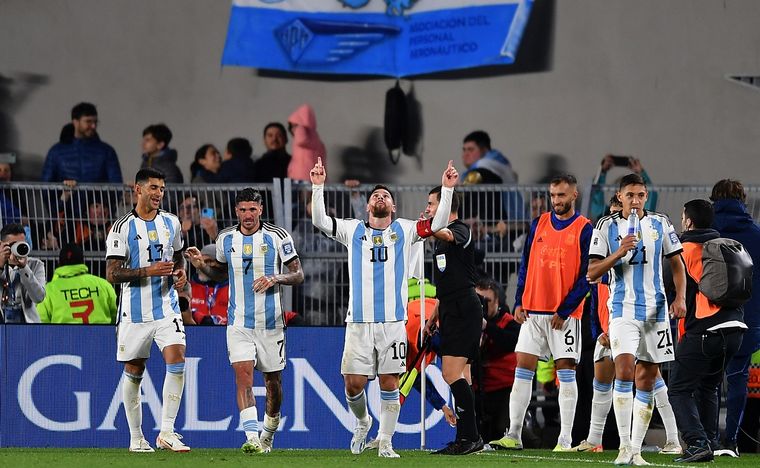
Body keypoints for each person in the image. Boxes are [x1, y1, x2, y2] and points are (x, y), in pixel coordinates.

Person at [310, 157, 458, 457]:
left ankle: (386, 442)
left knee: (390, 383)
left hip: (393, 322)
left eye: (386, 196)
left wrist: (447, 189)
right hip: (359, 321)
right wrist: (318, 186)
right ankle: (363, 422)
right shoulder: (352, 230)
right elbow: (320, 221)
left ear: (393, 206)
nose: (380, 197)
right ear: (367, 206)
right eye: (375, 195)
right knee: (353, 384)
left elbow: (438, 223)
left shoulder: (405, 229)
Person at [185, 188, 304, 453]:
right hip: (238, 322)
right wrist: (201, 265)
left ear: (260, 209)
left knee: (273, 383)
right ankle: (252, 438)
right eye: (242, 210)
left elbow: (298, 275)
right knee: (243, 377)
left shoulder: (277, 236)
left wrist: (274, 278)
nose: (248, 215)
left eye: (252, 209)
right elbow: (220, 274)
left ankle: (268, 433)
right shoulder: (225, 238)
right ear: (236, 211)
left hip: (271, 323)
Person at [588, 173, 687, 466]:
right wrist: (619, 252)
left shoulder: (660, 223)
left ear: (646, 196)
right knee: (624, 371)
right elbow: (592, 272)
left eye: (640, 195)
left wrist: (680, 298)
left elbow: (677, 263)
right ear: (620, 197)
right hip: (622, 309)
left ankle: (636, 450)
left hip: (656, 312)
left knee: (646, 379)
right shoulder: (606, 225)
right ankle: (623, 446)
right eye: (629, 195)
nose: (635, 200)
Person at [490, 174, 592, 452]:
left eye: (561, 195)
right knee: (522, 369)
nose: (556, 200)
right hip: (532, 312)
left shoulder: (584, 228)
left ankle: (565, 439)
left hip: (564, 317)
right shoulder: (539, 224)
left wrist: (566, 309)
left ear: (574, 195)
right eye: (553, 195)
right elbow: (526, 264)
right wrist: (519, 300)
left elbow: (588, 275)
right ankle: (513, 434)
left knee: (566, 373)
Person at [105, 168, 190, 453]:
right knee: (134, 369)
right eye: (153, 188)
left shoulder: (171, 222)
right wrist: (147, 271)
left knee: (177, 359)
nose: (159, 194)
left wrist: (180, 273)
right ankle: (136, 438)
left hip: (167, 306)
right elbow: (112, 274)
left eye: (162, 189)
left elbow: (178, 257)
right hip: (134, 312)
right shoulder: (121, 228)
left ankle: (167, 431)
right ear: (138, 189)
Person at [667, 199, 746, 462]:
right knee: (708, 386)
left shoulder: (683, 250)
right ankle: (710, 441)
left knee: (678, 388)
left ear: (688, 221)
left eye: (683, 217)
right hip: (735, 328)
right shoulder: (726, 247)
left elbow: (668, 286)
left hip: (704, 329)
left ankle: (697, 442)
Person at [419, 184, 485, 455]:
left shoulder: (460, 230)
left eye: (432, 204)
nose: (427, 209)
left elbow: (445, 232)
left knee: (450, 373)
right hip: (450, 308)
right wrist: (433, 317)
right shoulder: (439, 241)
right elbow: (446, 284)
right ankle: (468, 437)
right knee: (463, 376)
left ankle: (470, 437)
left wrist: (426, 226)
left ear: (446, 206)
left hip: (463, 309)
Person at [710, 179, 760, 458]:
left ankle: (706, 439)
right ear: (743, 200)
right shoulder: (756, 234)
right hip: (747, 318)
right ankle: (730, 441)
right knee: (738, 378)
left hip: (709, 317)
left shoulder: (707, 232)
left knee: (708, 381)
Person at [472, 276, 520, 444]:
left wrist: (487, 327)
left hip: (504, 389)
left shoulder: (508, 322)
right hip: (478, 389)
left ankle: (532, 440)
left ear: (498, 302)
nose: (483, 305)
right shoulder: (468, 325)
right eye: (478, 301)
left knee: (502, 430)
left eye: (487, 301)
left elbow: (511, 342)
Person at [41, 102, 123, 183]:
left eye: (95, 122)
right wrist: (64, 190)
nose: (93, 126)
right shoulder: (56, 152)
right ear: (75, 122)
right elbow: (45, 186)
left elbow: (116, 184)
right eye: (88, 121)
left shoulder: (107, 152)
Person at [38, 243, 117, 324]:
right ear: (83, 261)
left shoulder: (48, 290)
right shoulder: (103, 285)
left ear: (59, 263)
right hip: (101, 332)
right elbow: (116, 315)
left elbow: (41, 322)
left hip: (64, 332)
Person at [590, 155, 658, 222]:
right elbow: (596, 197)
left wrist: (641, 172)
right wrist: (602, 172)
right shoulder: (605, 213)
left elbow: (651, 194)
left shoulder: (639, 214)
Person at [0, 223, 46, 323]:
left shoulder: (36, 265)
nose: (17, 248)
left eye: (21, 244)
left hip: (27, 327)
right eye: (13, 245)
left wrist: (24, 268)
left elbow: (39, 298)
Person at [188, 244, 229, 325]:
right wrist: (201, 318)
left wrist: (217, 320)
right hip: (194, 331)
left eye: (209, 261)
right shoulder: (188, 287)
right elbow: (183, 311)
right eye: (201, 261)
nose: (204, 265)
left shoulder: (232, 289)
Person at [288, 104, 326, 182]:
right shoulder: (316, 138)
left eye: (293, 126)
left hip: (301, 177)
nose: (292, 129)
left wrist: (299, 127)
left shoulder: (301, 131)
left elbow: (301, 140)